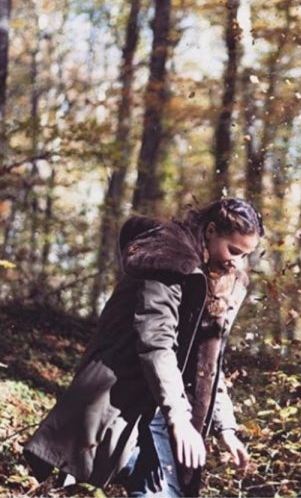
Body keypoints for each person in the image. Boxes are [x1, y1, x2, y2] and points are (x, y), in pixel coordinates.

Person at [23, 197, 264, 497]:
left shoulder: (221, 280)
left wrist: (226, 428)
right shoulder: (168, 258)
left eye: (245, 256)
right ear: (211, 230)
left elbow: (208, 363)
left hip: (164, 407)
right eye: (234, 250)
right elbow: (156, 342)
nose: (236, 262)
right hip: (121, 398)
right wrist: (178, 416)